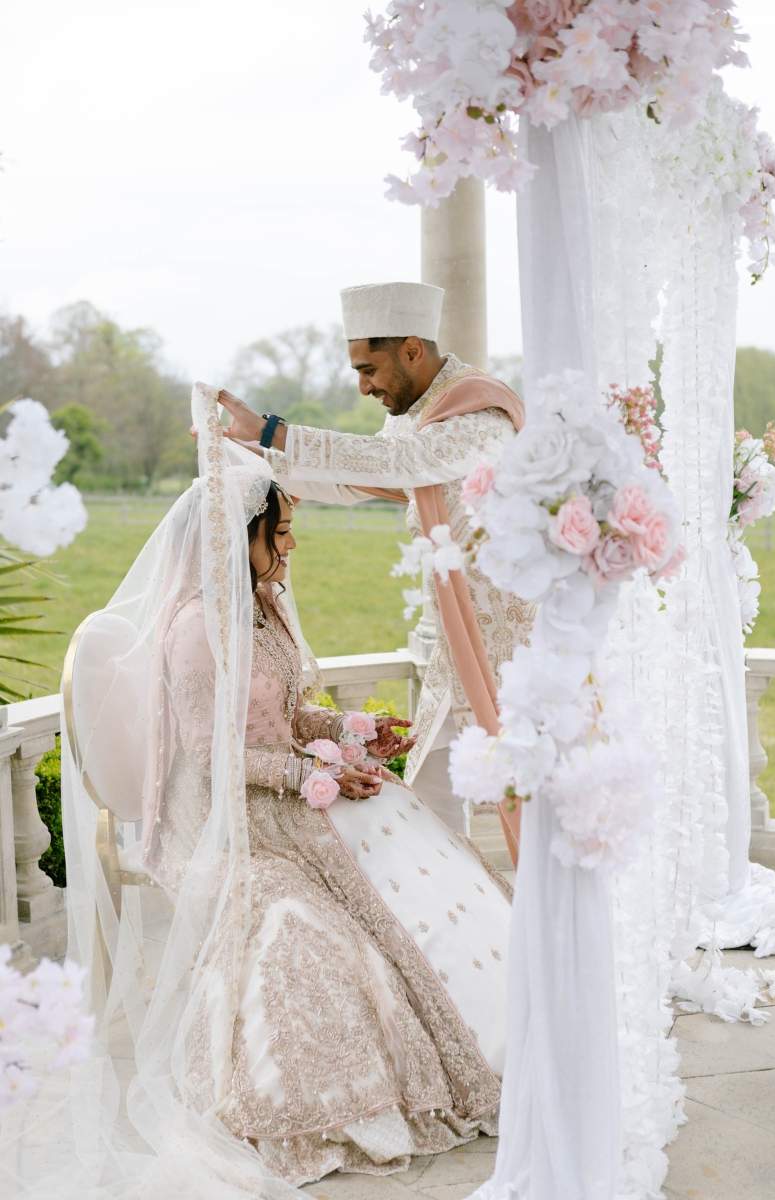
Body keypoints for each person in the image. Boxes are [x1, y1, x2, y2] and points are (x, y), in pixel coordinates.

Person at [39, 389, 510, 1199]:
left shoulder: (264, 610)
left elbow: (292, 710)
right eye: (280, 531)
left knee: (412, 848)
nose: (290, 546)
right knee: (317, 941)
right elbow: (216, 755)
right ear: (239, 538)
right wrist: (310, 774)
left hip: (301, 797)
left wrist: (358, 731)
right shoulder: (197, 629)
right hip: (240, 824)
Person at [215, 281, 534, 856]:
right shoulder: (422, 416)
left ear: (412, 349)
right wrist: (257, 458)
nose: (364, 387)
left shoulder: (479, 410)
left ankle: (555, 932)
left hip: (519, 658)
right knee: (427, 812)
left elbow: (400, 462)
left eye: (370, 369)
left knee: (531, 807)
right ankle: (447, 937)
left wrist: (271, 430)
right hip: (460, 652)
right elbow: (354, 478)